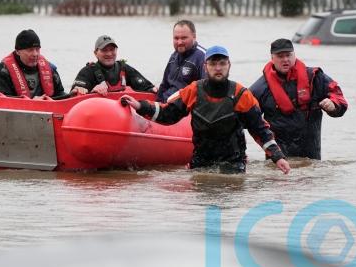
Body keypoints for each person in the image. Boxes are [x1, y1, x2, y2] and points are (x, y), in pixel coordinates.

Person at [121, 46, 290, 175]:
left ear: (229, 65)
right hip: (201, 162)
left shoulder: (240, 94)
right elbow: (168, 114)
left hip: (233, 164)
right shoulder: (194, 90)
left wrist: (277, 156)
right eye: (213, 63)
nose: (218, 68)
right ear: (205, 66)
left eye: (222, 63)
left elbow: (259, 129)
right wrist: (140, 106)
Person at [249, 38, 348, 160]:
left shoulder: (314, 78)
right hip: (278, 160)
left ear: (294, 55)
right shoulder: (260, 88)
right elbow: (244, 117)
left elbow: (340, 98)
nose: (285, 59)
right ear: (272, 58)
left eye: (288, 55)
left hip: (311, 156)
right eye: (280, 56)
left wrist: (334, 105)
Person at [0, 29, 66, 99]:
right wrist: (31, 103)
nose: (35, 54)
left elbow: (60, 95)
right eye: (30, 50)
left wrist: (72, 95)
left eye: (37, 49)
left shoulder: (50, 69)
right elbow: (0, 100)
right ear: (18, 51)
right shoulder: (2, 71)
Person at [71, 35, 156, 96]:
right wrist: (92, 91)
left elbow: (147, 88)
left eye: (112, 50)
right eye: (104, 50)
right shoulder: (87, 71)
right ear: (95, 53)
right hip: (97, 114)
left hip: (120, 115)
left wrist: (154, 89)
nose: (109, 54)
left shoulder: (124, 68)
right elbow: (74, 93)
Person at [156, 20, 206, 102]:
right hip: (166, 105)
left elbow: (207, 91)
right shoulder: (173, 57)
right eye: (176, 38)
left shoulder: (204, 57)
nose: (179, 42)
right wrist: (157, 104)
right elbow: (164, 85)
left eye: (184, 38)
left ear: (194, 36)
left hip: (184, 108)